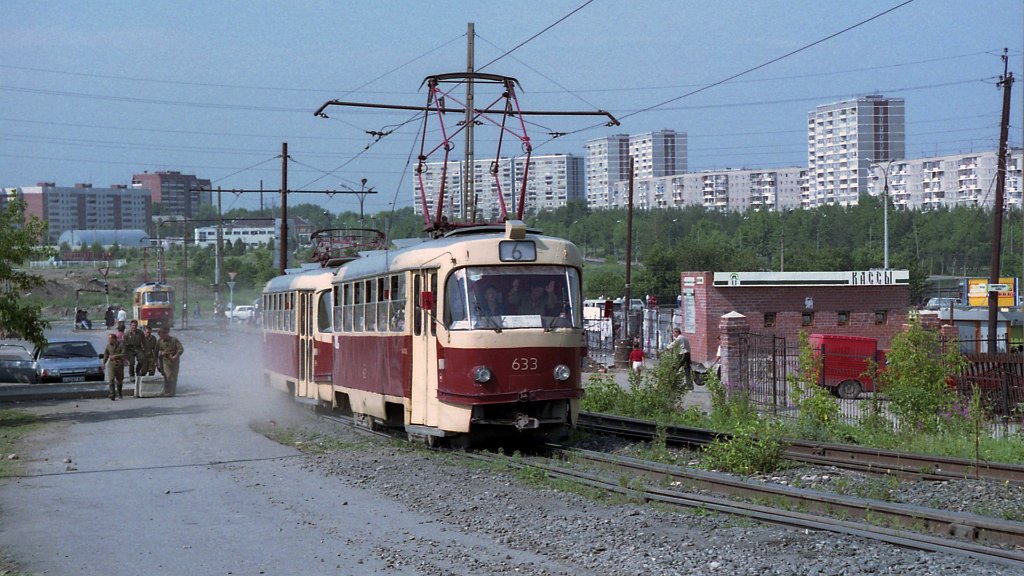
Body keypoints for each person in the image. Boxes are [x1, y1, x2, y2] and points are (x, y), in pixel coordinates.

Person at [157, 326, 184, 396]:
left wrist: (176, 355)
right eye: (161, 335)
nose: (162, 336)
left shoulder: (174, 340)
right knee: (168, 375)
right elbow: (156, 352)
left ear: (167, 333)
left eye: (164, 334)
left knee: (174, 376)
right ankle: (168, 390)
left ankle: (172, 392)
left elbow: (181, 349)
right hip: (165, 360)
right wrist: (160, 354)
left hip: (175, 360)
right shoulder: (159, 342)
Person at [102, 333, 125, 400]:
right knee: (111, 379)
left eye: (110, 339)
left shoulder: (121, 345)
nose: (109, 340)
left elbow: (123, 354)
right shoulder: (108, 346)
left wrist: (116, 356)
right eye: (109, 339)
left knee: (119, 379)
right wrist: (103, 363)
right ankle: (112, 394)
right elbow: (106, 355)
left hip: (119, 364)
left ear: (114, 339)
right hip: (111, 364)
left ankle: (119, 393)